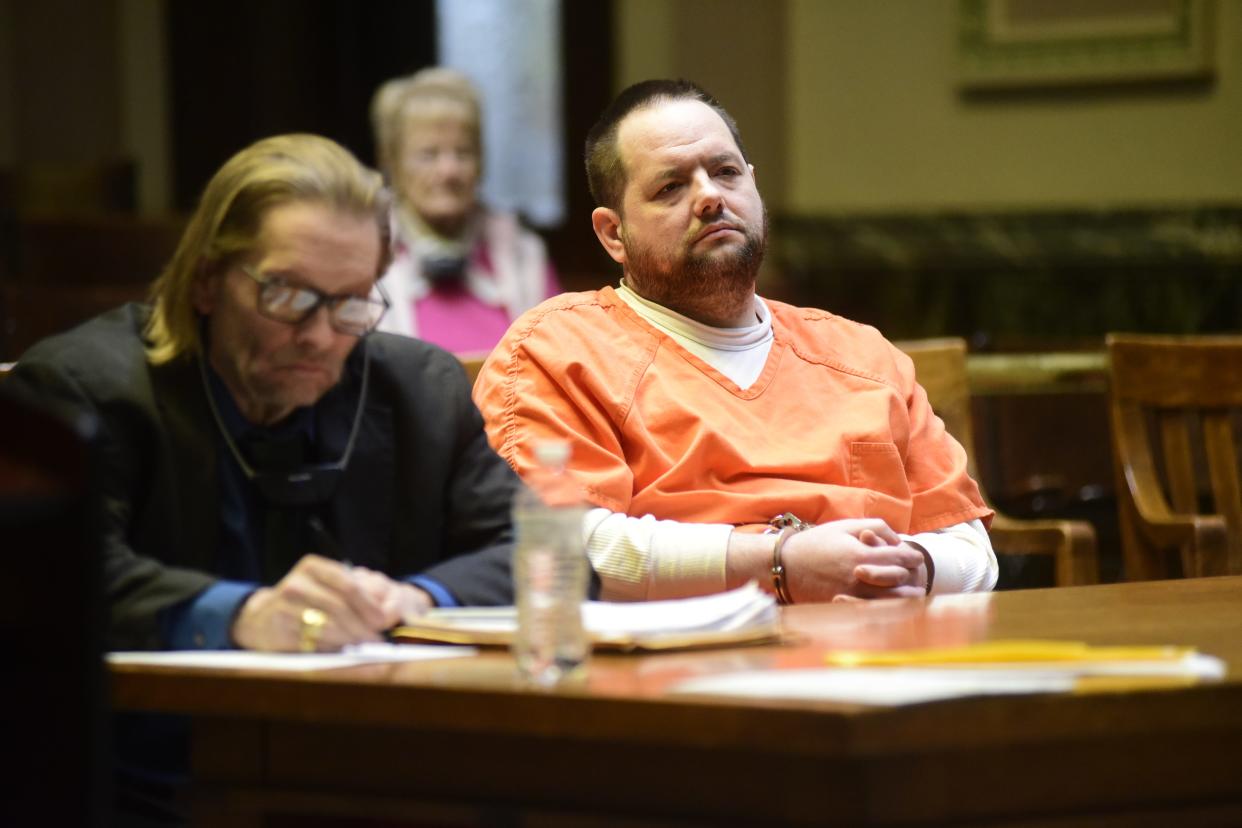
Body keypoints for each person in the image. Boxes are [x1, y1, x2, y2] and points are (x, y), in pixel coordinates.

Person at [475, 80, 997, 604]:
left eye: (725, 172)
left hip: (884, 659)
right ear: (614, 234)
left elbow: (970, 549)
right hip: (677, 668)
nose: (708, 197)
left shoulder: (865, 355)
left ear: (753, 186)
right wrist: (779, 562)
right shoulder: (555, 352)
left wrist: (910, 568)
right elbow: (559, 546)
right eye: (670, 188)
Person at [5, 134, 519, 655]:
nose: (319, 335)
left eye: (351, 302)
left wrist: (414, 599)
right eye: (288, 294)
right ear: (206, 281)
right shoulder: (86, 389)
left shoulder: (421, 390)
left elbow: (534, 548)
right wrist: (239, 615)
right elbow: (42, 573)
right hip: (159, 727)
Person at [370, 67, 559, 354]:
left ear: (481, 161)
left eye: (463, 153)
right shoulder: (367, 261)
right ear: (392, 164)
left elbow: (559, 361)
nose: (449, 170)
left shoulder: (524, 256)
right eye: (428, 155)